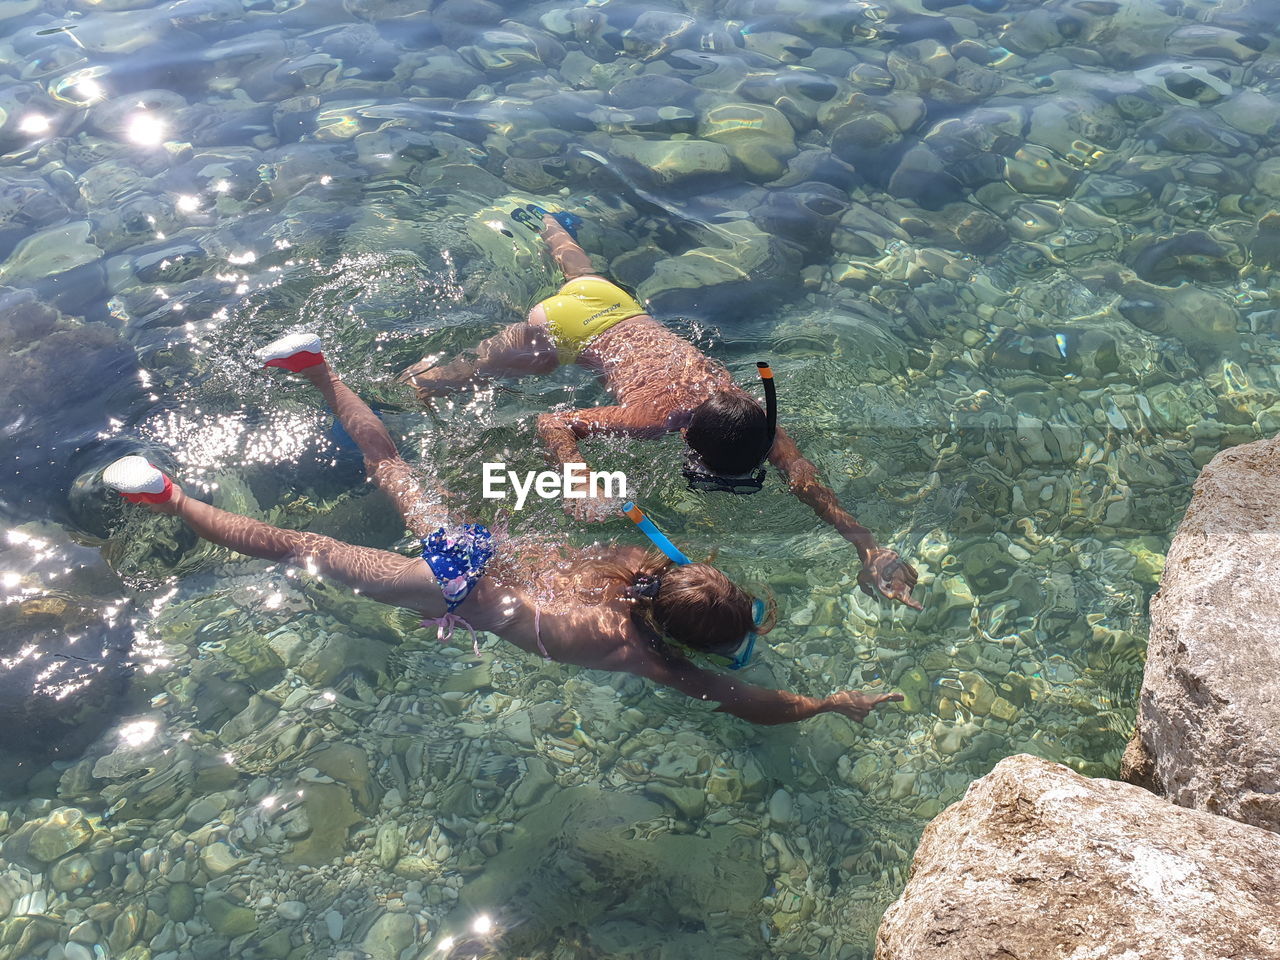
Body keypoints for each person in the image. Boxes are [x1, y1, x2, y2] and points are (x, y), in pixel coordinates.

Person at [102, 333, 902, 727]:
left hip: (487, 550)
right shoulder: (645, 655)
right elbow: (749, 701)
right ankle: (170, 499)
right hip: (458, 582)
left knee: (395, 470)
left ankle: (320, 369)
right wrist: (828, 703)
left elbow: (593, 551)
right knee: (304, 547)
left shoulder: (649, 563)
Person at [398, 215, 922, 611]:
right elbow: (551, 421)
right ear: (690, 442)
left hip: (614, 303)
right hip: (561, 330)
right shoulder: (656, 418)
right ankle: (419, 376)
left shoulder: (750, 415)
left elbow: (805, 479)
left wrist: (868, 549)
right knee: (464, 376)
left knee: (575, 266)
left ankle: (550, 222)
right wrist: (578, 479)